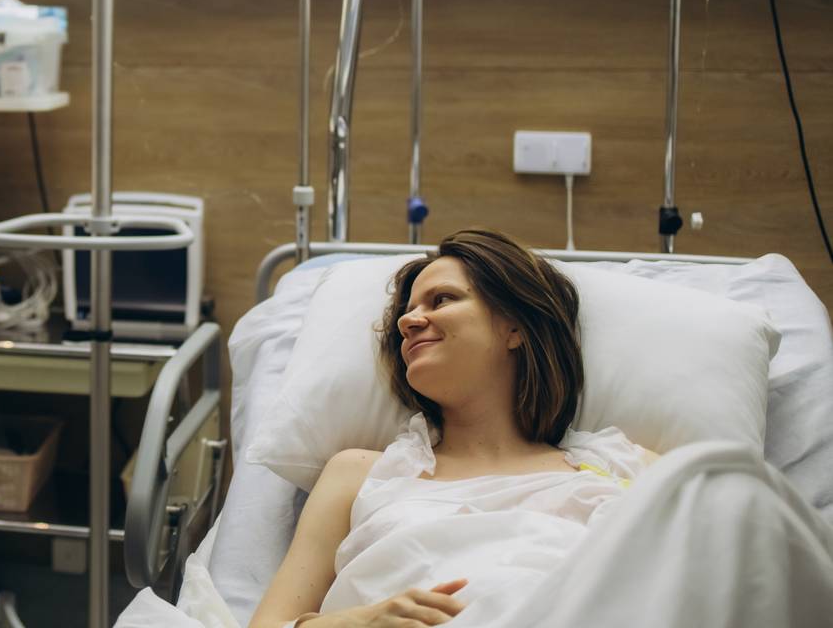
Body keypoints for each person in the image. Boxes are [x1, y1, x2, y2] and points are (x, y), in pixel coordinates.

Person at [250, 230, 660, 628]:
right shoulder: (358, 475)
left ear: (515, 327)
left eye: (442, 299)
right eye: (407, 311)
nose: (408, 320)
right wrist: (357, 622)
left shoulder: (628, 467)